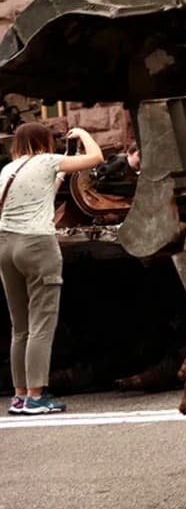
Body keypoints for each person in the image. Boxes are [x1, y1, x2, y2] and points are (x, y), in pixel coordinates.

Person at [4, 122, 103, 416]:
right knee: (41, 325)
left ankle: (20, 396)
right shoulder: (47, 160)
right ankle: (37, 396)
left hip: (4, 246)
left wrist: (61, 169)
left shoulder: (8, 170)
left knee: (19, 328)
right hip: (36, 245)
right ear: (44, 141)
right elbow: (96, 158)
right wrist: (83, 134)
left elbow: (50, 185)